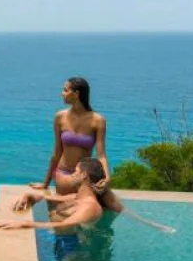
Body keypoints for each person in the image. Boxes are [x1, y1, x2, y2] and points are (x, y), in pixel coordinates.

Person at [27, 76, 176, 233]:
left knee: (112, 202)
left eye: (65, 90)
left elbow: (101, 154)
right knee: (65, 219)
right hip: (65, 176)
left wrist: (107, 178)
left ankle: (150, 225)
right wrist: (45, 183)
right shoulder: (60, 117)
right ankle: (67, 248)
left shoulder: (98, 120)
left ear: (76, 93)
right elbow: (56, 152)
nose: (61, 93)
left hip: (87, 176)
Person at [0, 158, 107, 232]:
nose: (72, 175)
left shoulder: (90, 206)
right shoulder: (76, 197)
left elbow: (64, 225)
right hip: (62, 243)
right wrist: (28, 195)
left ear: (83, 175)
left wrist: (24, 224)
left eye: (75, 171)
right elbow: (46, 199)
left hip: (72, 254)